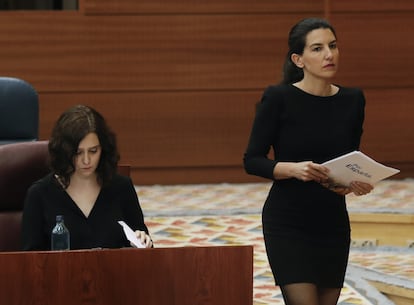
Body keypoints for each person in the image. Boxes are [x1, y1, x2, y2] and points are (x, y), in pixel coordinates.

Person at [243, 18, 374, 305]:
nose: (329, 54)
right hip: (288, 222)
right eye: (318, 48)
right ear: (298, 59)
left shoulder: (353, 100)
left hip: (333, 223)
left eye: (333, 46)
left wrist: (352, 184)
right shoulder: (278, 98)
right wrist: (294, 169)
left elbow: (347, 161)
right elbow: (252, 160)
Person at [22, 104, 153, 250]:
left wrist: (144, 242)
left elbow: (144, 247)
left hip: (113, 272)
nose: (86, 160)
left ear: (103, 149)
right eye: (78, 152)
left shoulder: (121, 187)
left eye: (93, 151)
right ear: (64, 151)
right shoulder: (39, 194)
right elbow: (29, 261)